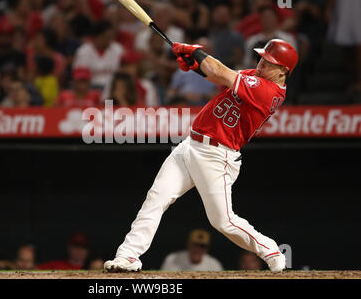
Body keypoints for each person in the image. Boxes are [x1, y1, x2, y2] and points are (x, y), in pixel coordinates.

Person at [104, 38, 298, 274]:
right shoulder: (258, 76)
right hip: (191, 145)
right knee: (156, 198)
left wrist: (195, 53)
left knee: (223, 221)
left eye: (269, 62)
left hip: (217, 155)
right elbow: (216, 75)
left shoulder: (268, 91)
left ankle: (271, 250)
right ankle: (128, 256)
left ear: (283, 71)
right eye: (262, 59)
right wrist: (196, 64)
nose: (261, 64)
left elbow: (219, 71)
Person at [72, 20, 124, 91]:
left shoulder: (117, 49)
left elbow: (123, 73)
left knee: (109, 101)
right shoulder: (83, 51)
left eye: (111, 37)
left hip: (111, 90)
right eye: (107, 37)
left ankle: (108, 102)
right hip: (90, 89)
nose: (110, 40)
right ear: (98, 36)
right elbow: (78, 77)